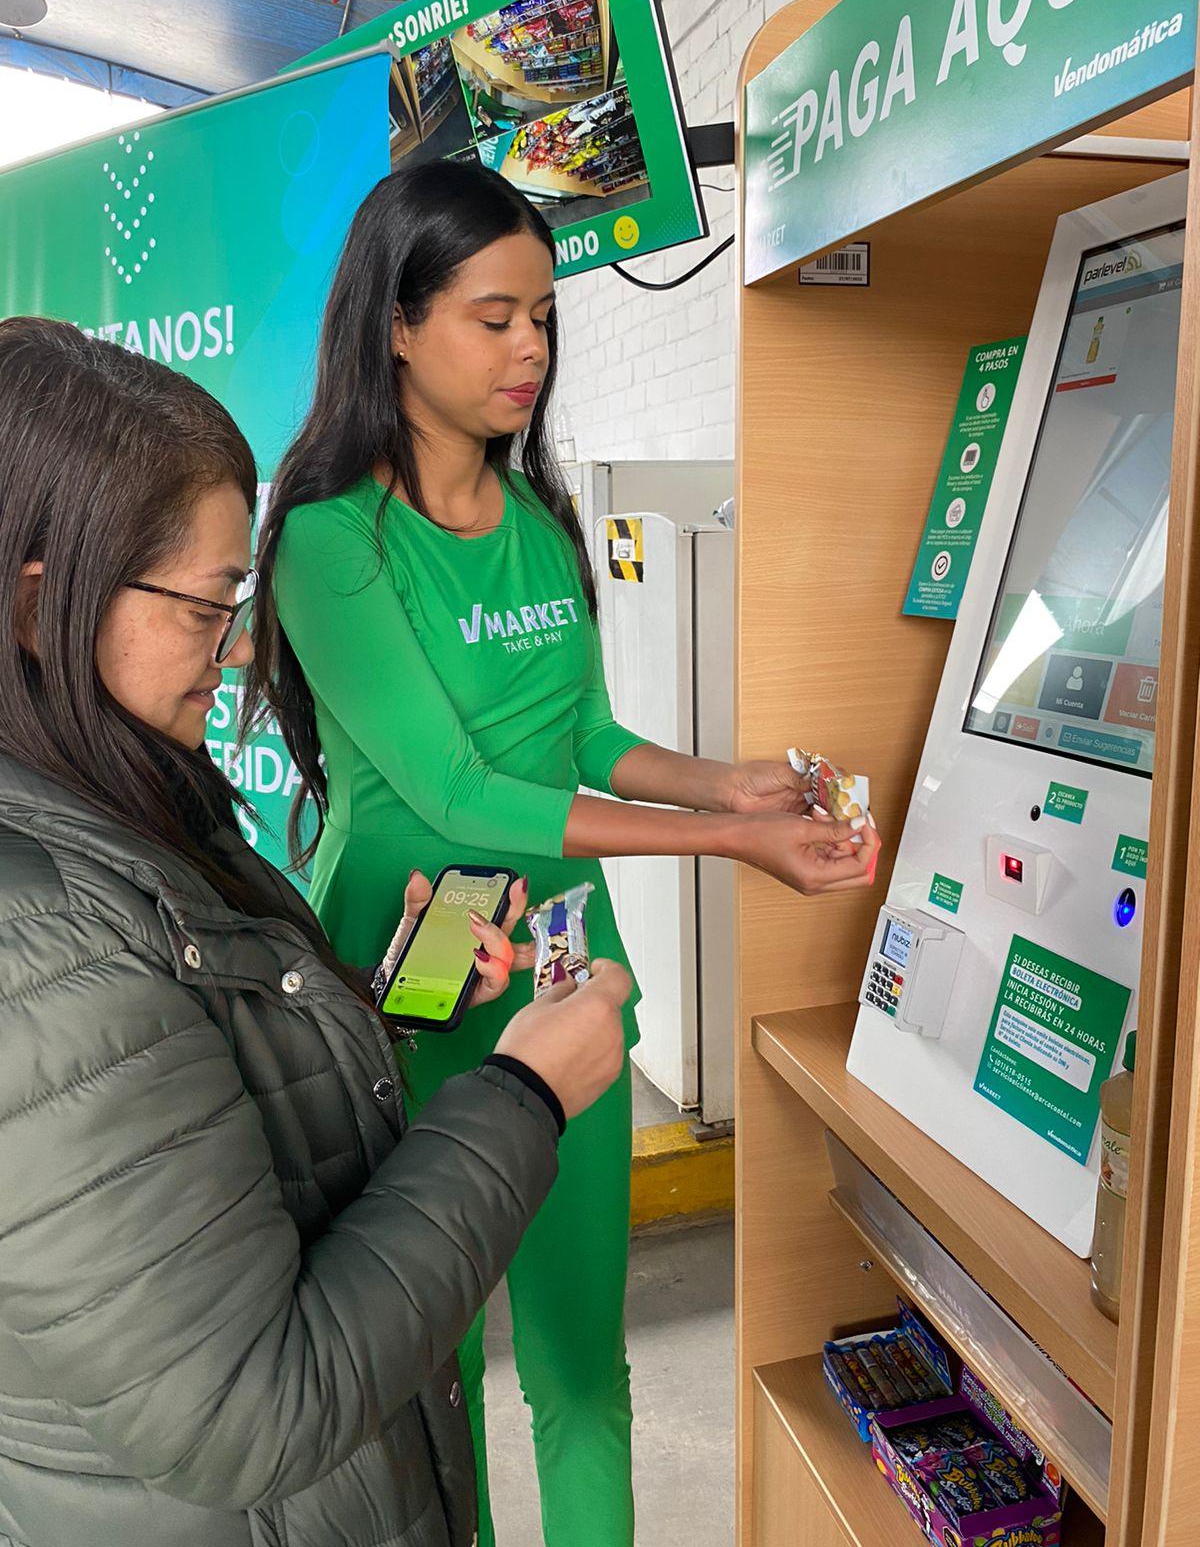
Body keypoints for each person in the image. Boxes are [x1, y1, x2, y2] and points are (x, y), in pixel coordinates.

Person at [250, 159, 880, 1547]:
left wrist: (732, 779)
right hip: (406, 977)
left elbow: (584, 737)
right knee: (432, 1380)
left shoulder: (540, 523)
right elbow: (455, 789)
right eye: (494, 318)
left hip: (564, 967)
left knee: (585, 1368)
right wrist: (729, 840)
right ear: (396, 325)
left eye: (542, 316)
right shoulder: (328, 542)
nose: (529, 348)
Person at [0, 315, 629, 1547]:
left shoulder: (127, 799)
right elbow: (254, 1405)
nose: (233, 651)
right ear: (40, 607)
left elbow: (201, 1080)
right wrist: (523, 1095)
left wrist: (378, 997)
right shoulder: (48, 942)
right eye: (206, 607)